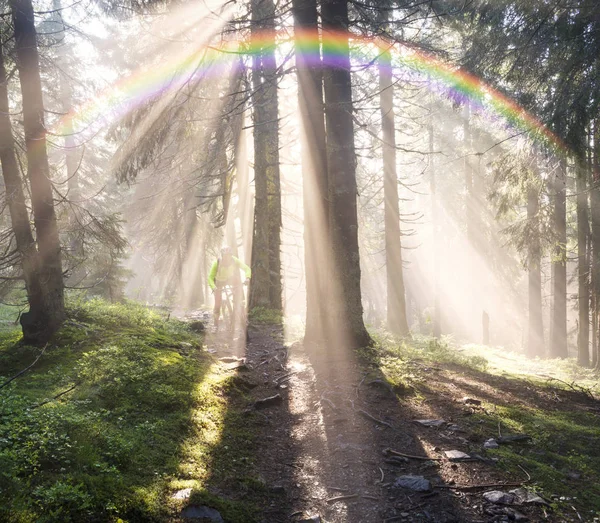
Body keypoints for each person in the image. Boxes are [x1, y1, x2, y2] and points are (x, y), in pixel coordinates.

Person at [208, 247, 251, 330]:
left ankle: (239, 304)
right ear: (222, 256)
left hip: (229, 279)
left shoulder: (234, 260)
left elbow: (247, 268)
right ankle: (215, 324)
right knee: (218, 304)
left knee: (238, 281)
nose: (227, 258)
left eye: (229, 256)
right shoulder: (217, 263)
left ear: (231, 256)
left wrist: (247, 278)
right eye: (225, 256)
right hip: (218, 281)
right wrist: (214, 288)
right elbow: (210, 278)